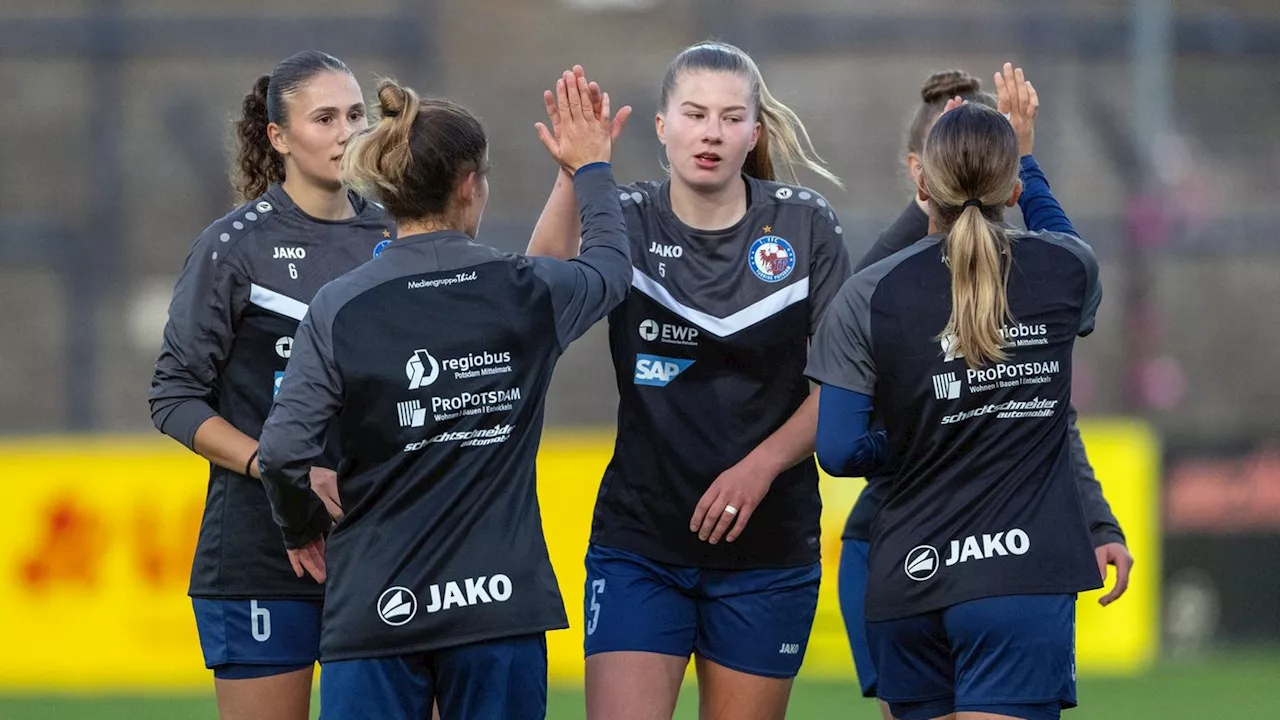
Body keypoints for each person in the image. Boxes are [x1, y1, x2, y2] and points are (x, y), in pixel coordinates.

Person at [255, 72, 630, 719]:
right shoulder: (524, 291)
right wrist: (589, 168)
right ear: (468, 185)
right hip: (499, 611)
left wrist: (298, 526)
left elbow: (285, 449)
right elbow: (610, 271)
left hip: (375, 611)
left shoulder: (339, 306)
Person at [526, 44, 851, 720]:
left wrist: (759, 468)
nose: (712, 132)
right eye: (695, 114)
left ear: (754, 134)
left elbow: (842, 387)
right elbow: (534, 294)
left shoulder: (805, 223)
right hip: (641, 544)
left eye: (732, 118)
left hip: (769, 549)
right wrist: (575, 172)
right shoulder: (628, 216)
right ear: (661, 126)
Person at [809, 64, 1105, 720]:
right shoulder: (1065, 269)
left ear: (920, 182)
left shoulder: (868, 295)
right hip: (1022, 578)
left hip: (909, 578)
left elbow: (837, 450)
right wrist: (1028, 153)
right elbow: (1060, 238)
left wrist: (927, 431)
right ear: (1014, 185)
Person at [148, 50, 390, 720]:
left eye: (354, 115)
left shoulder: (398, 232)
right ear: (278, 137)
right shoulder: (233, 247)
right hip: (258, 553)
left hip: (382, 547)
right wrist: (277, 467)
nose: (346, 132)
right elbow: (173, 398)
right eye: (324, 118)